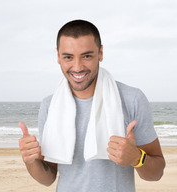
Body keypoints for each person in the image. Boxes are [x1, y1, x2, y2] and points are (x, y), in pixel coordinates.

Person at [19, 19, 165, 192]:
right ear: (58, 56)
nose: (77, 67)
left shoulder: (132, 99)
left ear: (101, 53)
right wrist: (31, 161)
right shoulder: (49, 106)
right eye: (68, 57)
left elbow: (156, 173)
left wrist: (137, 158)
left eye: (87, 56)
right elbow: (48, 177)